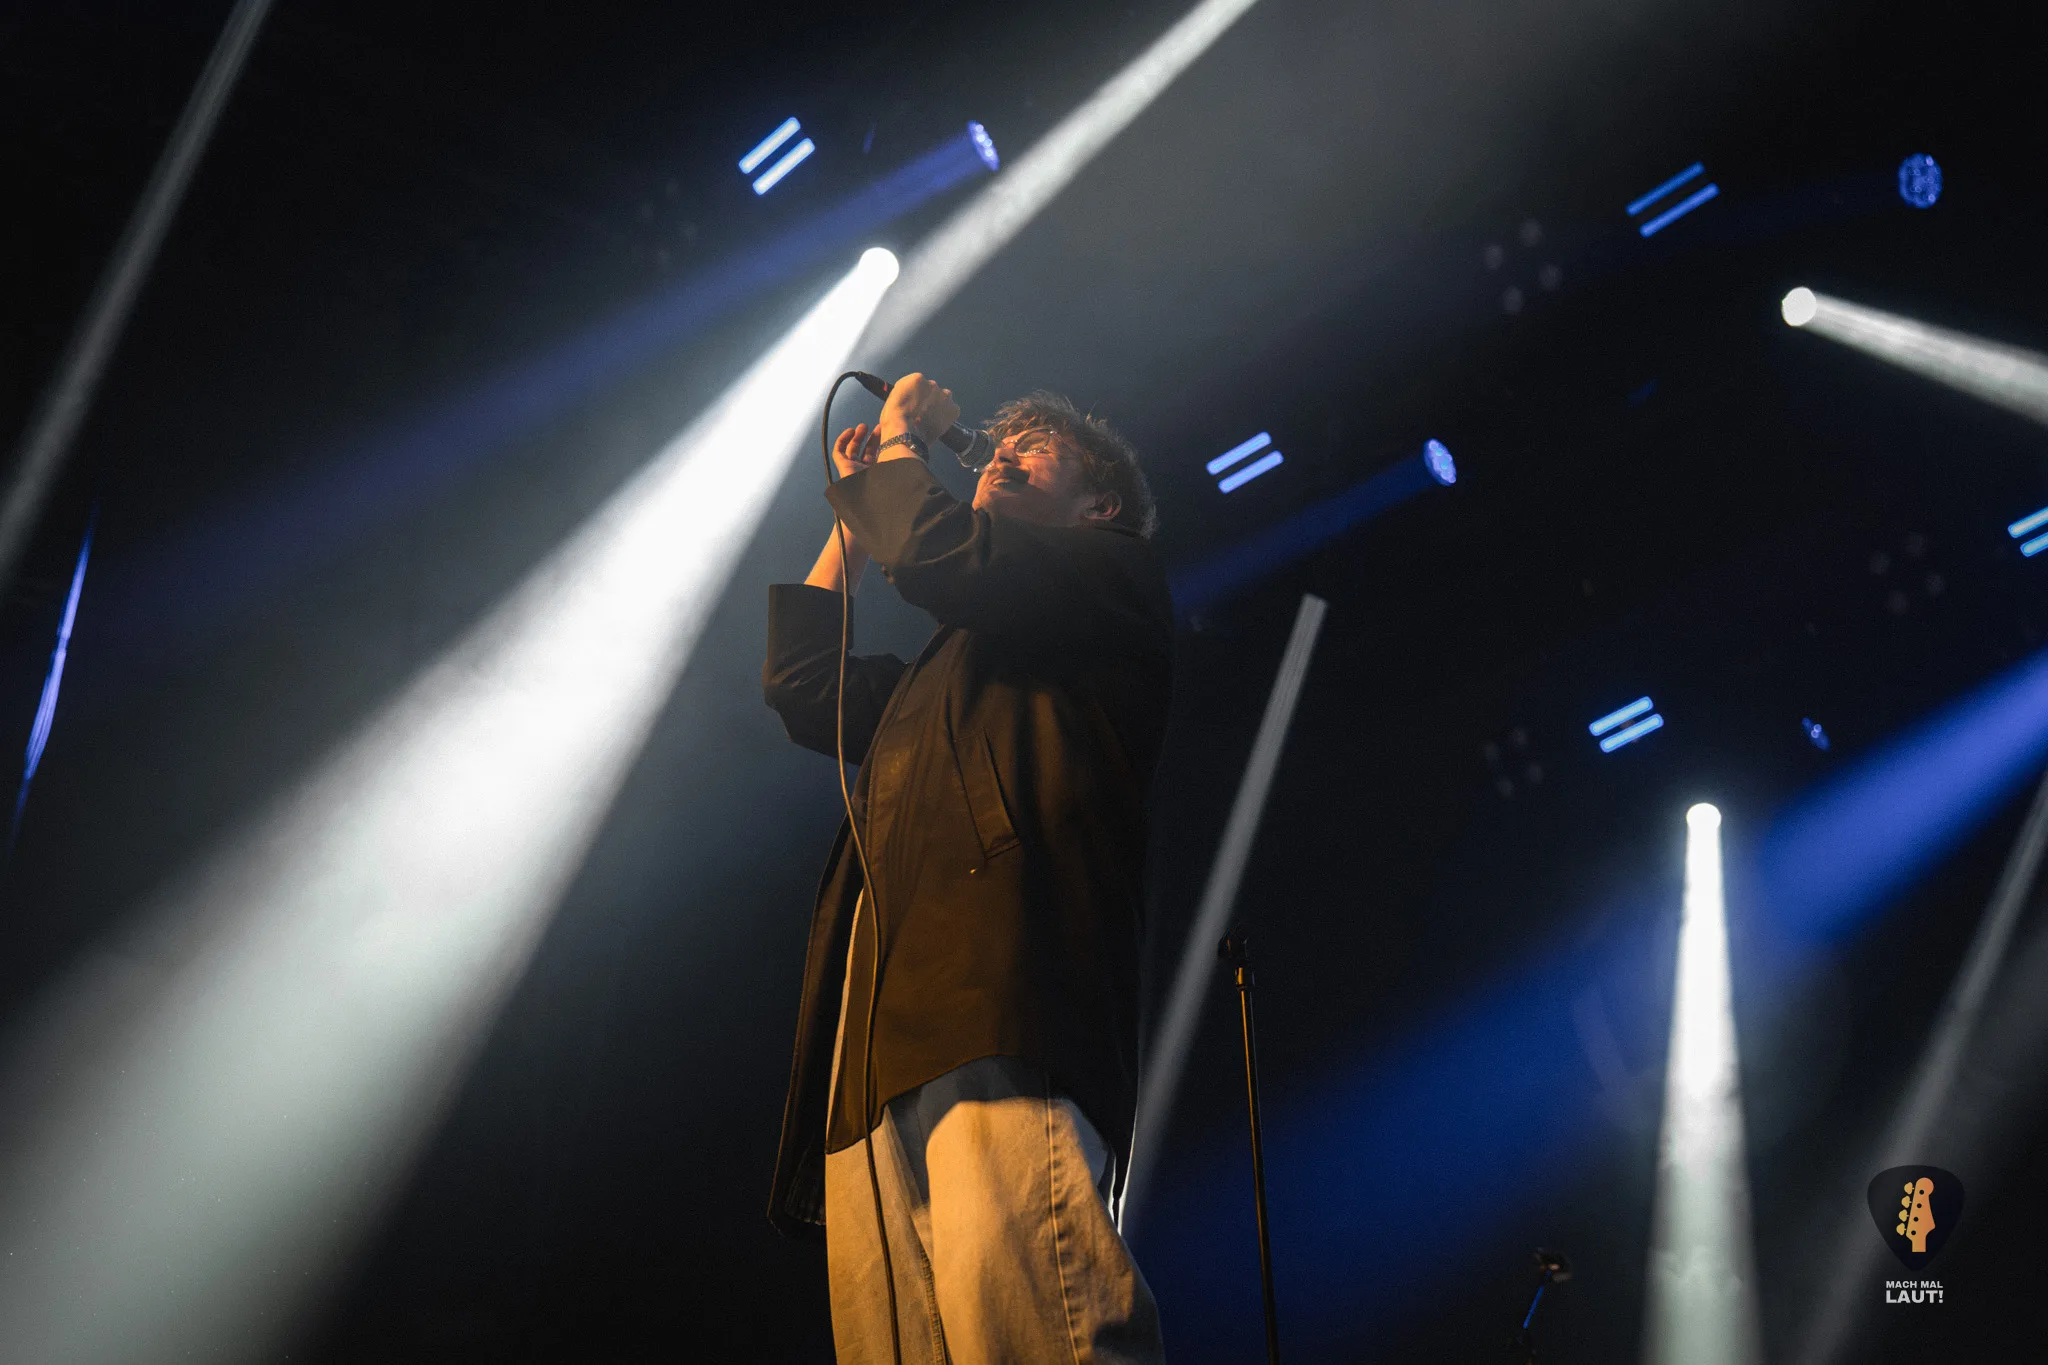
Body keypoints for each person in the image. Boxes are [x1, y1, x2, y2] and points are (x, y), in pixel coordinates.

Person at [762, 373, 1173, 1363]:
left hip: (1001, 1001)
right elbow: (804, 684)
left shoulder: (1110, 577)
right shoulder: (944, 669)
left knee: (1034, 1323)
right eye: (1002, 440)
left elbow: (946, 554)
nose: (1004, 452)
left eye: (1036, 447)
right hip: (876, 1048)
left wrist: (903, 441)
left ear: (1099, 505)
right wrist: (854, 528)